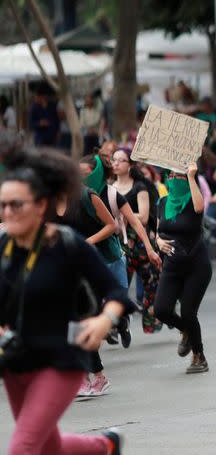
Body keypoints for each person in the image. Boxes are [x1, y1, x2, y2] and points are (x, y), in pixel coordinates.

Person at [0, 146, 133, 455]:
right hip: (17, 363)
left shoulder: (68, 245)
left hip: (62, 359)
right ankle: (104, 446)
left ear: (41, 204)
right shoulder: (4, 248)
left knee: (24, 448)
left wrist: (104, 320)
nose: (7, 213)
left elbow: (115, 293)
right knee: (47, 444)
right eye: (3, 205)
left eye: (16, 204)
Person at [56, 174, 123, 398]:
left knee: (82, 320)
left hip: (91, 265)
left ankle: (94, 376)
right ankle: (89, 376)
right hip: (66, 269)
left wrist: (86, 243)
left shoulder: (87, 196)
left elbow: (111, 225)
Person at [80, 154, 161, 335]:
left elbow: (137, 221)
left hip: (113, 255)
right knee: (91, 302)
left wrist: (150, 249)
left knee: (117, 299)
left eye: (85, 173)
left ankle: (122, 323)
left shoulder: (111, 194)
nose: (81, 178)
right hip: (88, 257)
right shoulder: (75, 196)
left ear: (97, 173)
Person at [154, 163, 213, 374]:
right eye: (170, 175)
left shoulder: (193, 199)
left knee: (188, 311)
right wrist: (158, 242)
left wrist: (190, 175)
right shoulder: (162, 202)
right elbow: (158, 231)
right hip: (172, 264)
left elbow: (199, 208)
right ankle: (186, 331)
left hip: (196, 264)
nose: (172, 178)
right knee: (161, 310)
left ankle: (199, 356)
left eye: (177, 176)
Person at [110, 149, 163, 333]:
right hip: (119, 242)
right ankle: (118, 323)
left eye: (121, 160)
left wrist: (125, 215)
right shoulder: (110, 187)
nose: (116, 163)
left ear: (129, 165)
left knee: (150, 282)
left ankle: (152, 321)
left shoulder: (139, 187)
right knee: (119, 283)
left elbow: (144, 216)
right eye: (114, 160)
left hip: (140, 241)